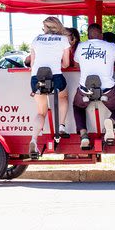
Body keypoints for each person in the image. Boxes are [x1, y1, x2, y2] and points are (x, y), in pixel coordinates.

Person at [71, 23, 115, 148]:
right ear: (101, 35)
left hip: (85, 90)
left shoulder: (80, 47)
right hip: (107, 91)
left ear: (88, 36)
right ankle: (111, 122)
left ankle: (84, 135)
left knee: (78, 107)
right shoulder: (111, 47)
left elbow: (76, 66)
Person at [28, 16, 72, 157]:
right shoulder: (64, 40)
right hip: (56, 78)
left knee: (41, 112)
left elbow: (32, 64)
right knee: (63, 96)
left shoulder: (36, 40)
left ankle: (34, 139)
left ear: (45, 28)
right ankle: (61, 126)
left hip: (36, 79)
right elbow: (66, 64)